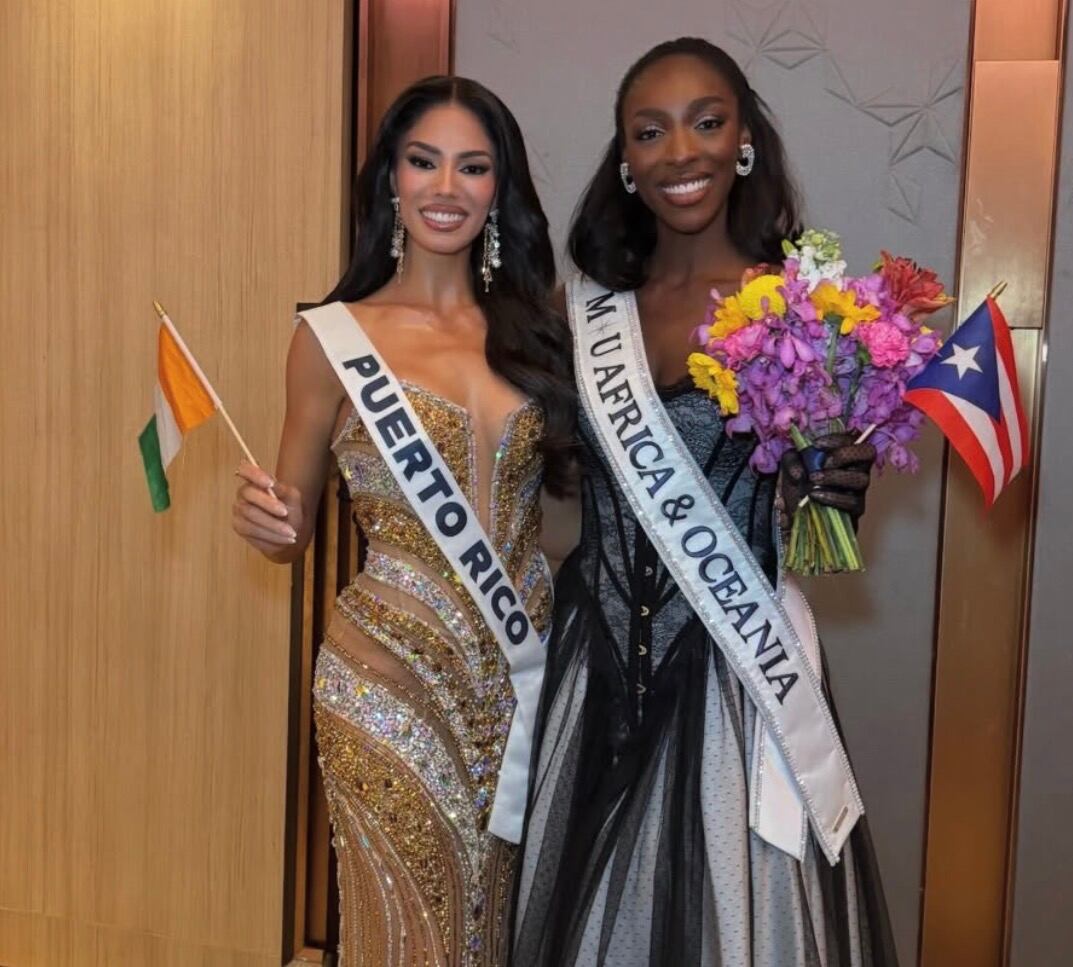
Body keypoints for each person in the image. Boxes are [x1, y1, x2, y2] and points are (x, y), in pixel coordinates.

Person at [514, 38, 897, 966]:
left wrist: (833, 484)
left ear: (744, 141)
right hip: (591, 667)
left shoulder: (801, 308)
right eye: (650, 132)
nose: (680, 152)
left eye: (706, 122)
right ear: (624, 159)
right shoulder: (583, 311)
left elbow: (817, 516)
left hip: (732, 671)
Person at [232, 75, 573, 966]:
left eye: (473, 166)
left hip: (520, 683)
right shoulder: (331, 337)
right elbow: (293, 524)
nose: (445, 187)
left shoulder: (542, 333)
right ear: (391, 177)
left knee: (497, 928)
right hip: (384, 683)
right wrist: (270, 523)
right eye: (424, 161)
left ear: (499, 188)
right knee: (406, 932)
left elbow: (572, 511)